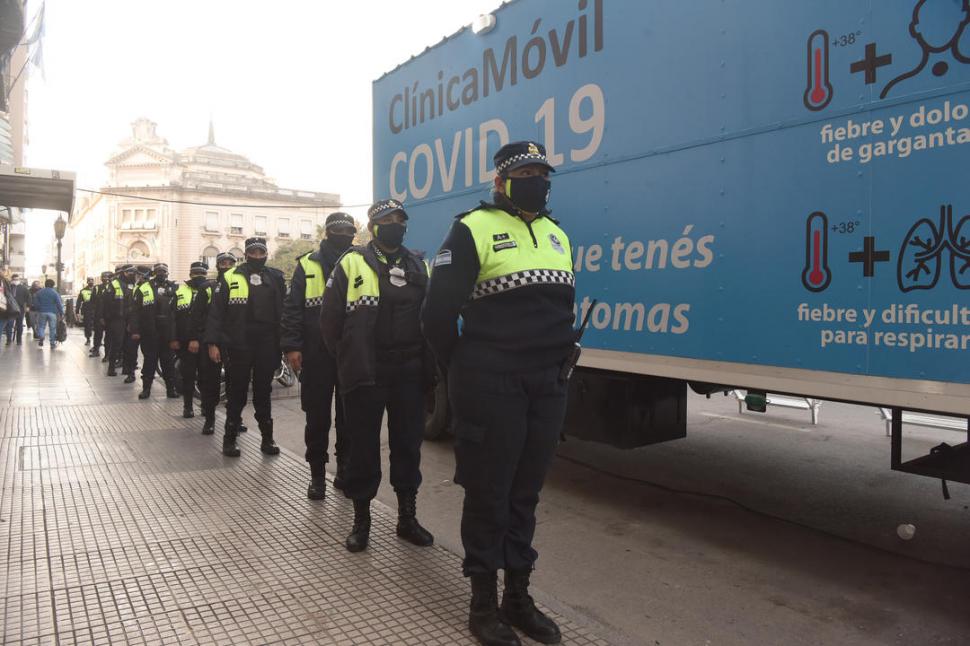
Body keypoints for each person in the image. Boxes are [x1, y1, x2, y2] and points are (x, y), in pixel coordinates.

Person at [421, 141, 575, 646]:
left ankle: (518, 599)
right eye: (524, 172)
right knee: (490, 494)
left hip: (547, 384)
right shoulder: (472, 229)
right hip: (492, 382)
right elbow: (436, 315)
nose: (536, 179)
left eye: (541, 172)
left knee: (525, 495)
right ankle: (483, 605)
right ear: (500, 182)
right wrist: (461, 368)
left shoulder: (556, 234)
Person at [320, 199, 435, 554]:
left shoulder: (419, 263)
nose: (395, 224)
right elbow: (329, 322)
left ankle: (407, 518)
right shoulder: (351, 262)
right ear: (373, 227)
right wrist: (348, 357)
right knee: (363, 448)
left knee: (407, 446)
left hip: (410, 371)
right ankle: (361, 521)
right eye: (387, 220)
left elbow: (432, 315)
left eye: (400, 219)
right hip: (367, 371)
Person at [282, 212, 355, 500]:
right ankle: (317, 476)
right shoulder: (307, 264)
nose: (344, 235)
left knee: (349, 417)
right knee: (317, 417)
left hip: (350, 352)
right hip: (315, 353)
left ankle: (345, 470)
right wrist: (292, 347)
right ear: (327, 232)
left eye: (349, 230)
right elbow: (292, 310)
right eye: (339, 230)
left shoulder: (361, 261)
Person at [205, 238, 285, 457]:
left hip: (267, 344)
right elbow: (216, 313)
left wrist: (286, 344)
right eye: (253, 252)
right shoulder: (231, 276)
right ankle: (229, 439)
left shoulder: (276, 277)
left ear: (266, 253)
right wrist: (213, 343)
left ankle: (267, 439)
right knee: (237, 392)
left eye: (261, 252)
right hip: (238, 343)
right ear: (246, 253)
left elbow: (284, 313)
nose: (257, 255)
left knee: (263, 393)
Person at [173, 261, 221, 430]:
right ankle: (188, 406)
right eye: (195, 273)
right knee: (188, 375)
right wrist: (175, 338)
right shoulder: (180, 290)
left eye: (202, 273)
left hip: (206, 340)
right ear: (190, 274)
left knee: (206, 377)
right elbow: (174, 317)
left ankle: (206, 407)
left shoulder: (211, 289)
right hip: (187, 342)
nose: (198, 276)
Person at [130, 263, 179, 400]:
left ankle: (171, 389)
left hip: (167, 333)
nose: (161, 273)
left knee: (168, 362)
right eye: (158, 271)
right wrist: (135, 330)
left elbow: (177, 312)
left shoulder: (174, 288)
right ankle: (146, 389)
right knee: (149, 362)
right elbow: (135, 312)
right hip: (149, 332)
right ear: (154, 273)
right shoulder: (143, 288)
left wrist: (176, 335)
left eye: (163, 271)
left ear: (167, 273)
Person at [105, 265, 136, 377]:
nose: (132, 274)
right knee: (117, 343)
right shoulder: (114, 284)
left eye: (133, 272)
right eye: (129, 272)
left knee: (128, 345)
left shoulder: (133, 284)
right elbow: (107, 303)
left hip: (130, 319)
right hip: (117, 319)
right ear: (124, 273)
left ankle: (126, 368)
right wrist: (108, 319)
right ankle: (111, 368)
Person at [32, 279, 65, 349]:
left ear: (45, 284)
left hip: (42, 312)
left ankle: (41, 336)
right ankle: (52, 344)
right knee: (52, 328)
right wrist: (62, 313)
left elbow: (35, 303)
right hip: (52, 313)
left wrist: (39, 308)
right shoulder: (55, 293)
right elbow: (59, 304)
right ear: (53, 285)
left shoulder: (39, 292)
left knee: (41, 326)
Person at [90, 271, 112, 358]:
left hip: (107, 315)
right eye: (104, 277)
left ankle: (106, 352)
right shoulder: (97, 288)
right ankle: (98, 350)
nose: (105, 279)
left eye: (106, 277)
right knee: (100, 334)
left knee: (107, 335)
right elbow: (92, 301)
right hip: (101, 315)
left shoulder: (112, 287)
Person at [3, 274, 30, 346]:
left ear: (19, 280)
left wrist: (28, 306)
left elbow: (28, 297)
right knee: (9, 325)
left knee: (19, 324)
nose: (16, 281)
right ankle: (9, 340)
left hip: (20, 309)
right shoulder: (8, 287)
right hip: (10, 309)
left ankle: (19, 340)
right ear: (12, 280)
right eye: (14, 279)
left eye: (17, 279)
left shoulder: (23, 288)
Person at [75, 277, 96, 346]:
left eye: (92, 281)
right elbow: (78, 301)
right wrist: (77, 311)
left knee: (97, 326)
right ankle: (88, 339)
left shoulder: (97, 289)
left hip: (96, 309)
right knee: (87, 326)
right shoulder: (83, 291)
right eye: (89, 281)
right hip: (87, 310)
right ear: (87, 282)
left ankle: (97, 340)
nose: (91, 282)